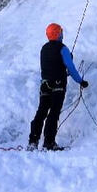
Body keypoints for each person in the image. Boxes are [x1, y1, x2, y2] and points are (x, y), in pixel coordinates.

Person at [28, 22, 88, 151]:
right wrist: (81, 81)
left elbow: (50, 66)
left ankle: (33, 141)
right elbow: (70, 68)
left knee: (41, 112)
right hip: (58, 85)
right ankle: (48, 143)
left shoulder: (43, 49)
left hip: (44, 85)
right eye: (61, 32)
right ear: (59, 34)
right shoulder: (63, 49)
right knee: (53, 113)